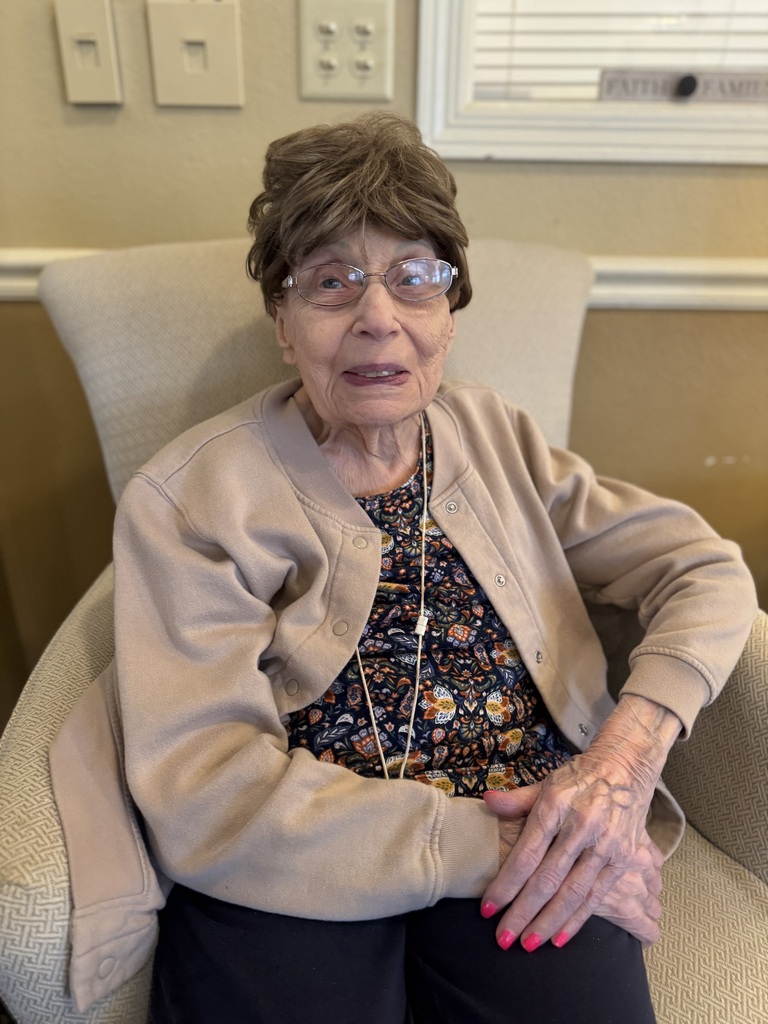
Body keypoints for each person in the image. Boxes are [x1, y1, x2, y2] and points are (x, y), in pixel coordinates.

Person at [85, 113, 755, 1022]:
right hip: (301, 853)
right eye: (332, 282)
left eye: (414, 278)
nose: (378, 318)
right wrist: (483, 845)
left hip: (531, 820)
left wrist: (623, 762)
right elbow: (206, 791)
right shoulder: (192, 498)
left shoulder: (494, 434)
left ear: (449, 312)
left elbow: (701, 567)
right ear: (283, 322)